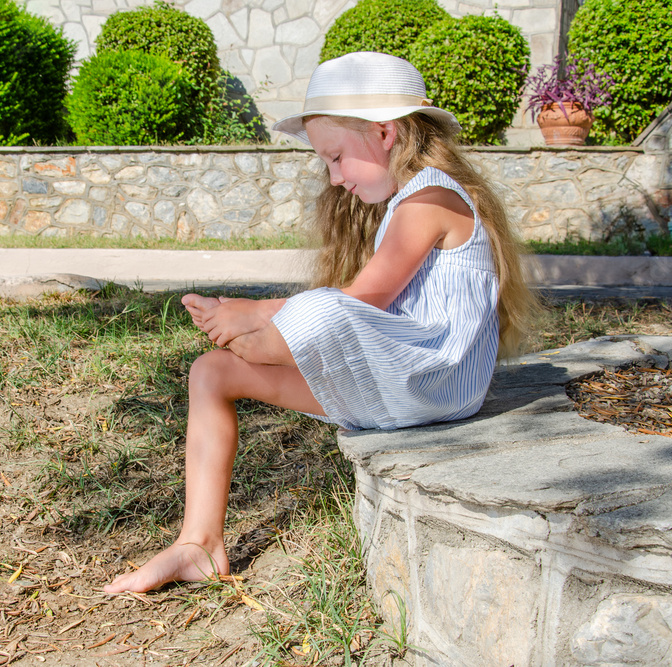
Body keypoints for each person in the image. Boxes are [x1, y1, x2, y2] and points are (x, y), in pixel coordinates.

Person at [103, 51, 538, 595]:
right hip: (406, 387)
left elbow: (362, 301)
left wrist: (260, 311)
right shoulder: (409, 200)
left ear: (385, 132)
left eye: (335, 157)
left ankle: (264, 334)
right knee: (211, 372)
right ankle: (199, 544)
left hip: (435, 383)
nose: (333, 179)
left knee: (324, 307)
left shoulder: (430, 199)